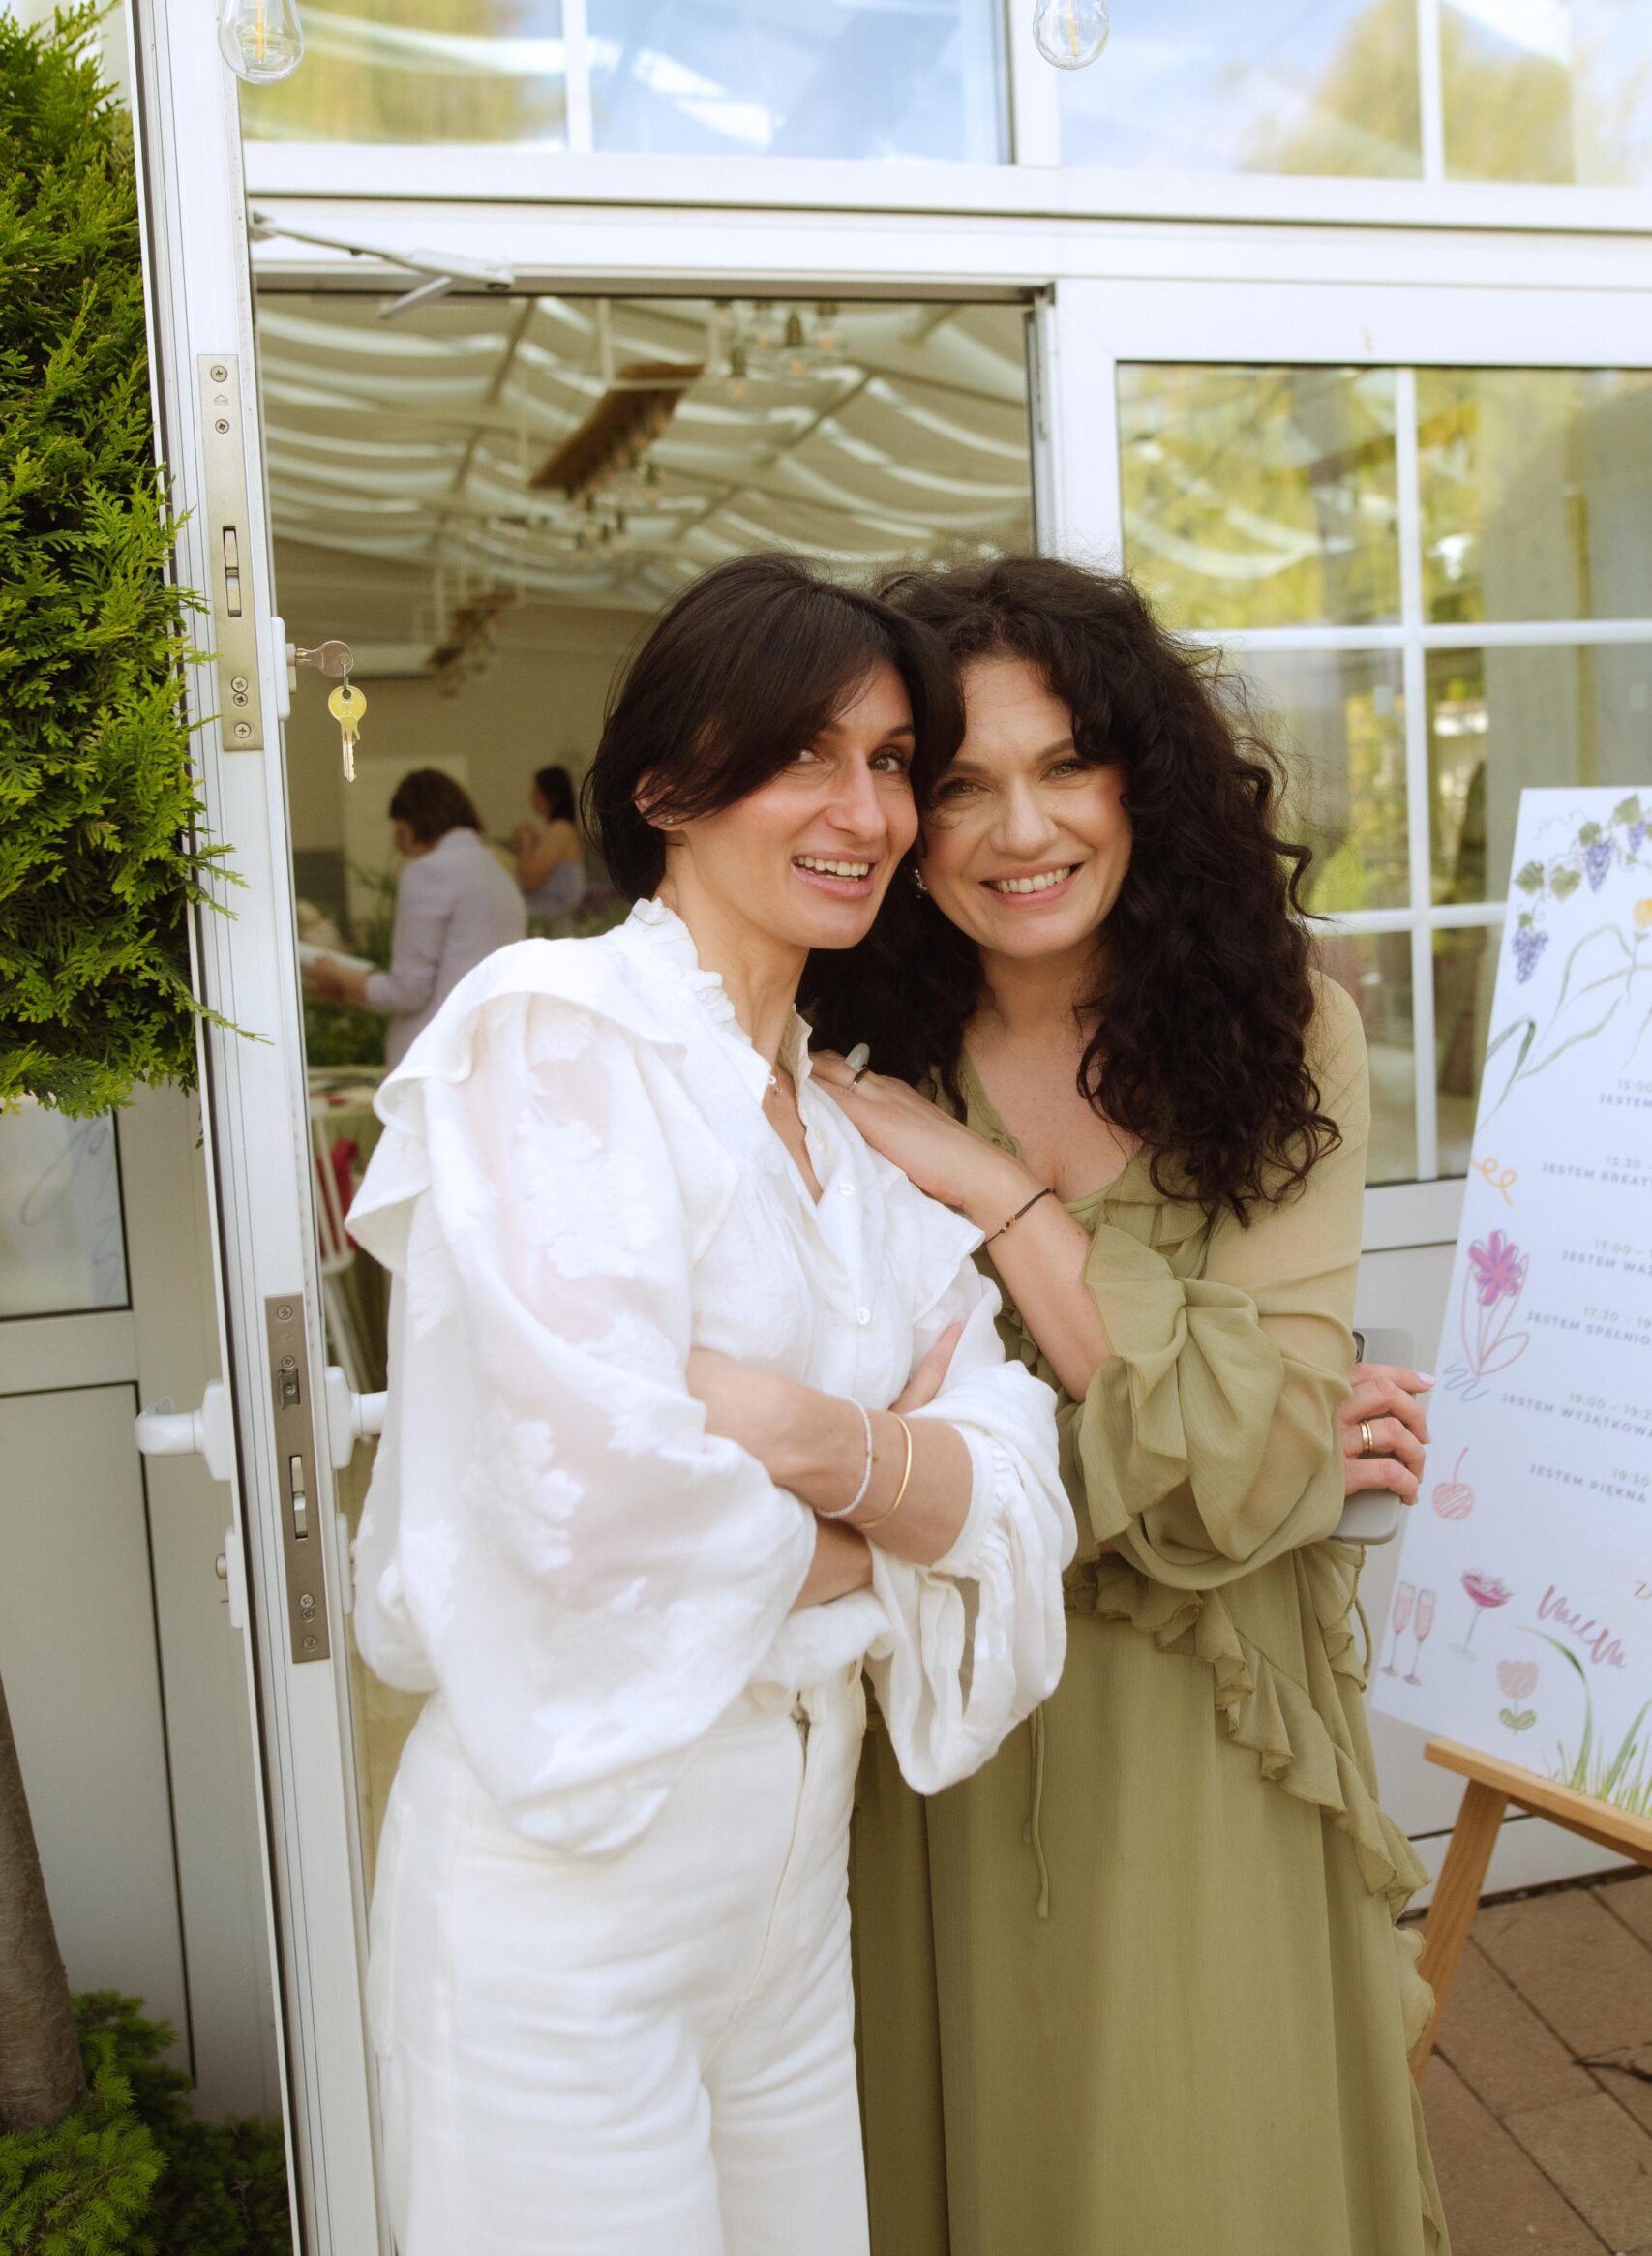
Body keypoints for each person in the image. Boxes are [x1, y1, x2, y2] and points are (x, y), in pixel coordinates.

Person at [343, 556, 1074, 2256]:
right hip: (571, 1889)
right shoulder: (555, 1038)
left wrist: (806, 1443)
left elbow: (1020, 1468)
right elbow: (591, 1506)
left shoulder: (841, 1125)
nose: (865, 812)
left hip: (788, 1887)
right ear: (669, 787)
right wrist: (897, 1513)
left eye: (890, 762)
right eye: (801, 756)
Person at [807, 556, 1449, 2256]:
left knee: (1201, 2158)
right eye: (959, 784)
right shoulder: (832, 1061)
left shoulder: (1279, 1031)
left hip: (1207, 1718)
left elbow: (1237, 1467)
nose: (1020, 830)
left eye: (1065, 766)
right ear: (896, 815)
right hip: (938, 1733)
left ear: (1140, 780)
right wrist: (1234, 1436)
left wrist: (992, 1195)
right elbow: (815, 1467)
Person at [307, 768, 526, 1068]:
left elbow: (408, 992)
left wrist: (337, 975)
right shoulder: (497, 871)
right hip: (488, 1050)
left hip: (435, 1058)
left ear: (407, 827)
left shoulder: (429, 871)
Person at [512, 762, 588, 925]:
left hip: (553, 920)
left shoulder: (560, 829)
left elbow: (529, 880)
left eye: (536, 792)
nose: (531, 798)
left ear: (553, 796)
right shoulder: (559, 829)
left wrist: (525, 843)